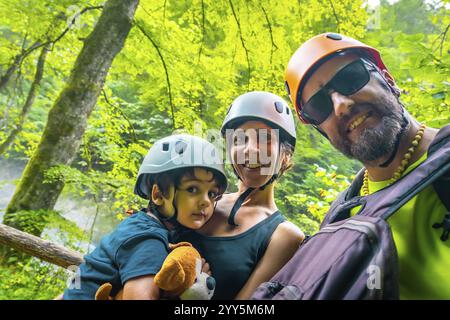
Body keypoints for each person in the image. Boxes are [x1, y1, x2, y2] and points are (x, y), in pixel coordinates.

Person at [284, 32, 450, 299]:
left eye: (350, 78)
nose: (340, 106)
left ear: (388, 79)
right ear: (322, 131)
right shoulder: (341, 216)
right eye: (319, 106)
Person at [173, 91, 305, 299]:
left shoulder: (284, 236)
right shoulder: (203, 200)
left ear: (285, 156)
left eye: (266, 138)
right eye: (240, 138)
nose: (251, 149)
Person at [63, 134, 227, 299]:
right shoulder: (147, 239)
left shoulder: (139, 224)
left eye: (212, 193)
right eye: (192, 189)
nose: (206, 201)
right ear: (158, 195)